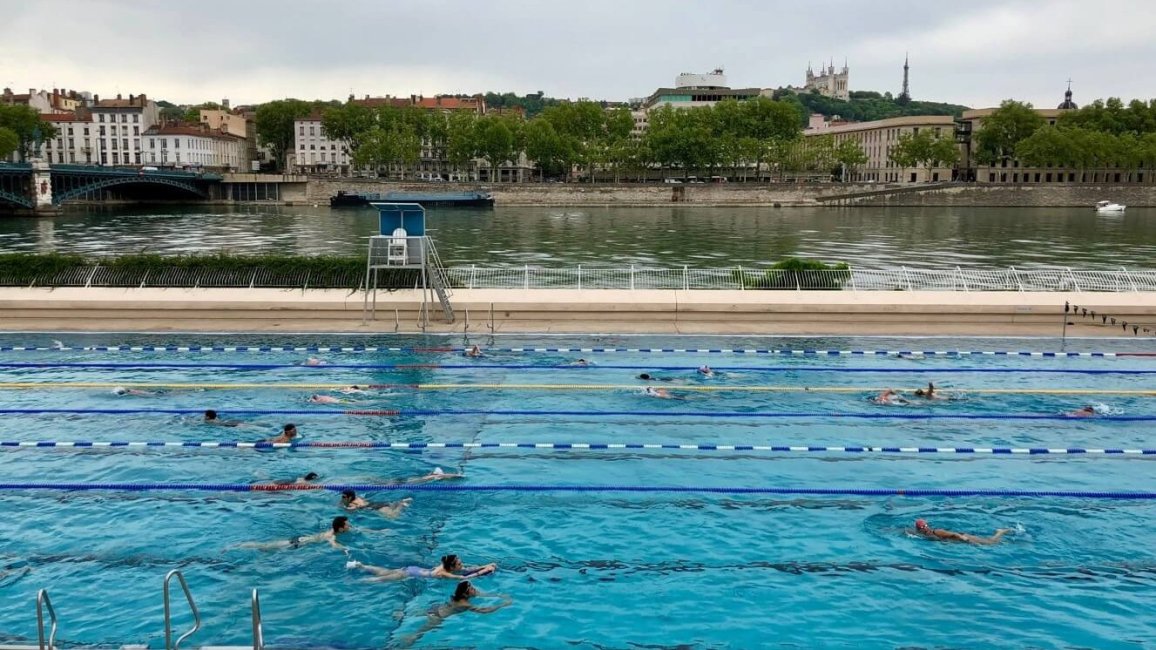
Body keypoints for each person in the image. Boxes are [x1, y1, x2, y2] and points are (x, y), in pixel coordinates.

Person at [398, 581, 512, 647]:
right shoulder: (465, 604)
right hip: (437, 617)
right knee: (420, 632)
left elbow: (479, 594)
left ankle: (402, 615)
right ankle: (408, 640)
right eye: (472, 589)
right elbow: (484, 611)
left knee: (419, 614)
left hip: (435, 607)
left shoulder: (457, 596)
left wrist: (499, 596)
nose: (475, 590)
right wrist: (501, 605)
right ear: (466, 594)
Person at [347, 554, 497, 581]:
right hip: (407, 574)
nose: (462, 564)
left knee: (385, 572)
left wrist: (486, 565)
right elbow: (462, 577)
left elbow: (469, 568)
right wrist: (483, 572)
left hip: (411, 569)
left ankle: (361, 565)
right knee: (378, 580)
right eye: (459, 563)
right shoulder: (444, 573)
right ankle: (358, 582)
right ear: (452, 566)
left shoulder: (444, 566)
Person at [236, 516, 352, 551]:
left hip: (300, 539)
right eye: (347, 524)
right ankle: (239, 545)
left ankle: (240, 545)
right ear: (341, 529)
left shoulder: (333, 529)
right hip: (297, 544)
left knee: (266, 548)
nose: (349, 526)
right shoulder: (331, 535)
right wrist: (344, 549)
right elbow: (333, 543)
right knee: (264, 546)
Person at [912, 519, 1010, 545]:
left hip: (963, 537)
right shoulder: (923, 534)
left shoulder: (937, 531)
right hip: (959, 541)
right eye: (923, 527)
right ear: (919, 529)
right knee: (989, 543)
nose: (925, 528)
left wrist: (964, 539)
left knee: (991, 543)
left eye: (925, 526)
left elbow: (953, 534)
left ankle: (1000, 532)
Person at [340, 489, 413, 518]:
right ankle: (400, 502)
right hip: (376, 503)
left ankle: (401, 504)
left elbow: (351, 510)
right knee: (391, 507)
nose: (342, 498)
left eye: (344, 497)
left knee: (392, 517)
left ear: (349, 498)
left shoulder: (351, 504)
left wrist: (346, 509)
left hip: (374, 507)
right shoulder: (357, 498)